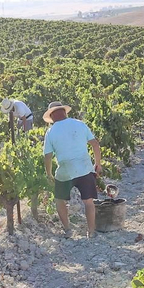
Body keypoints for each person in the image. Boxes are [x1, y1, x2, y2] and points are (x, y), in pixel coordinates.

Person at [41, 101, 102, 238]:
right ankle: (91, 232)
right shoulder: (79, 124)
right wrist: (98, 164)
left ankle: (68, 230)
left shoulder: (50, 132)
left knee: (59, 199)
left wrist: (49, 174)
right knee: (88, 201)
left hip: (65, 171)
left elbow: (48, 156)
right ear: (64, 112)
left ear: (52, 117)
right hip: (85, 168)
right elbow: (95, 144)